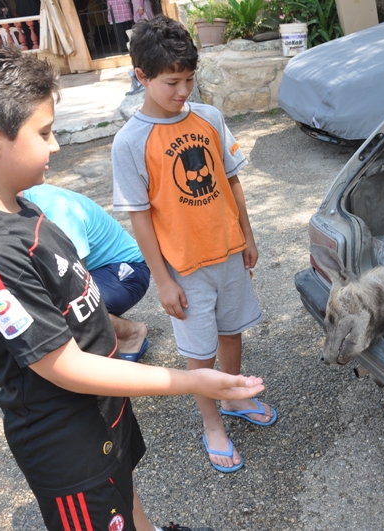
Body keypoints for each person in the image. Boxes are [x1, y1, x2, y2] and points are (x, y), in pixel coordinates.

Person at [0, 36, 264, 531]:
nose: (55, 145)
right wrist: (191, 381)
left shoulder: (18, 204)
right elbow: (64, 366)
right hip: (66, 434)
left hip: (103, 405)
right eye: (45, 132)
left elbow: (18, 301)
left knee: (123, 480)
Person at [112, 16, 276, 474]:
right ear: (141, 76)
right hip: (184, 267)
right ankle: (212, 423)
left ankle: (234, 397)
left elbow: (231, 179)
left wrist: (248, 235)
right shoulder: (130, 142)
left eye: (189, 79)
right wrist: (162, 280)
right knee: (198, 350)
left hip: (227, 253)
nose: (183, 91)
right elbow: (139, 218)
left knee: (231, 329)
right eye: (171, 82)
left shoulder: (209, 117)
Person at [23, 183, 151, 361]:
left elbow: (74, 279)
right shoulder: (20, 205)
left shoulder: (56, 208)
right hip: (95, 271)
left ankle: (132, 334)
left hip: (127, 269)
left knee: (70, 305)